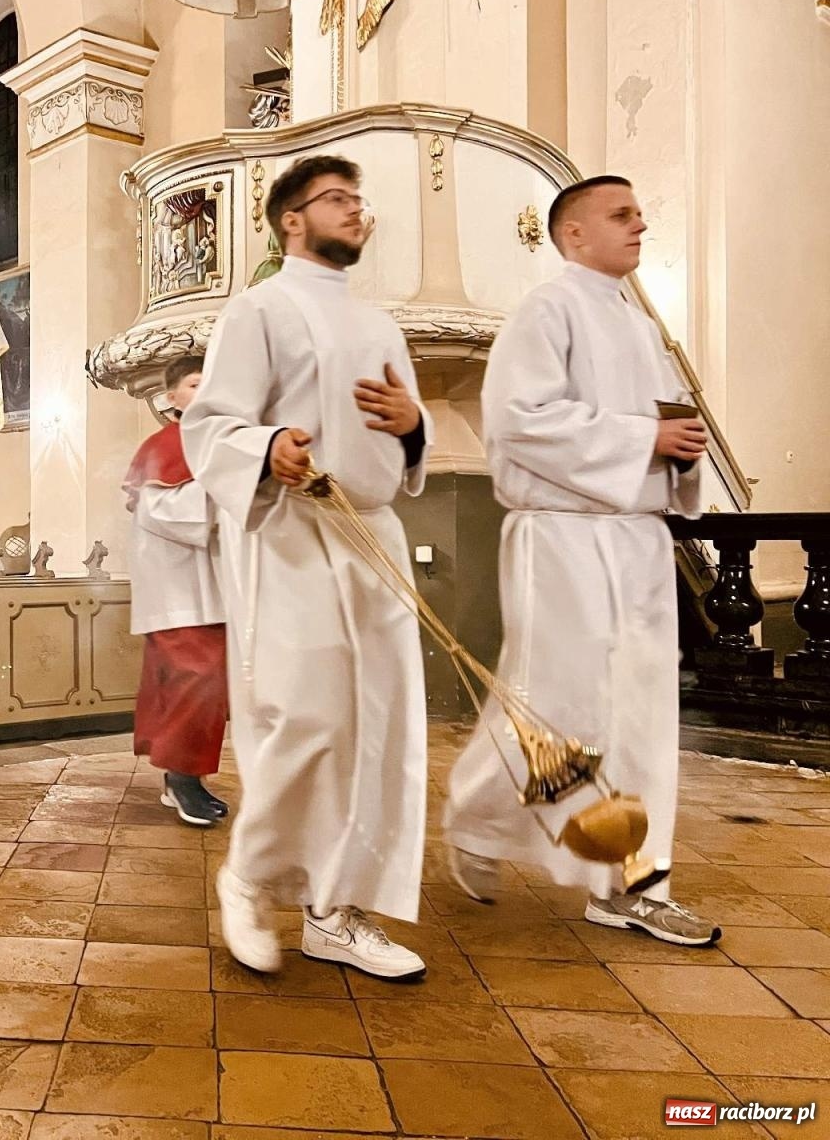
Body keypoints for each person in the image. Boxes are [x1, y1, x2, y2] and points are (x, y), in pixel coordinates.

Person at [442, 175, 718, 946]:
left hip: (637, 539)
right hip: (562, 535)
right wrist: (644, 438)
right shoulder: (546, 310)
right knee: (561, 708)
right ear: (573, 235)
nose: (640, 226)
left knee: (642, 717)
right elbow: (519, 422)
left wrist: (679, 450)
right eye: (621, 215)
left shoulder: (641, 326)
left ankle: (631, 884)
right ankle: (477, 816)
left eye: (640, 215)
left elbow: (669, 423)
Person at [181, 154, 432, 980]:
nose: (355, 211)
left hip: (373, 536)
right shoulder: (257, 309)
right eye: (335, 199)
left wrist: (415, 427)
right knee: (308, 716)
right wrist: (265, 448)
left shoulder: (379, 322)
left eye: (358, 199)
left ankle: (335, 910)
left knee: (375, 727)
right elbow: (210, 424)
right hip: (290, 529)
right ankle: (249, 877)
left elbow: (403, 426)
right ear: (292, 220)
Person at [124, 353, 229, 827]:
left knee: (206, 685)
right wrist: (228, 487)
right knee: (195, 681)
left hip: (212, 588)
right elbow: (163, 511)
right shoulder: (165, 444)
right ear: (171, 397)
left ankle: (185, 777)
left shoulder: (217, 442)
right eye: (194, 384)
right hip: (180, 590)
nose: (205, 391)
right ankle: (183, 779)